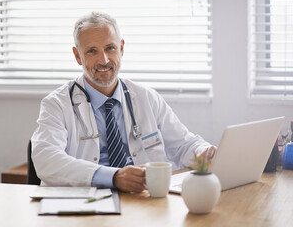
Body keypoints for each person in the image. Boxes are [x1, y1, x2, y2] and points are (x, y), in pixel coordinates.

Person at [31, 11, 215, 193]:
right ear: (78, 55)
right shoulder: (56, 104)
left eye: (110, 48)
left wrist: (204, 151)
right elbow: (46, 158)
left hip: (144, 200)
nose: (103, 60)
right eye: (92, 51)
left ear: (121, 48)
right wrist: (113, 177)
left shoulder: (146, 97)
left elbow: (184, 144)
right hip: (88, 204)